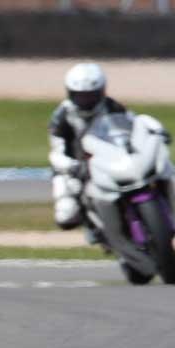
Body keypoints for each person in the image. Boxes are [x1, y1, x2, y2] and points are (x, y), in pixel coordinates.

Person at [48, 62, 132, 234]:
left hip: (113, 161)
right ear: (70, 93)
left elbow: (135, 128)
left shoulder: (114, 107)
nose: (85, 101)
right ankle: (92, 223)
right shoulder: (62, 115)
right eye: (80, 96)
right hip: (77, 166)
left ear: (101, 92)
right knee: (65, 216)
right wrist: (70, 165)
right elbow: (57, 149)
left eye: (91, 96)